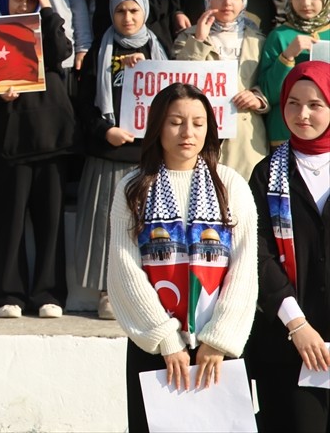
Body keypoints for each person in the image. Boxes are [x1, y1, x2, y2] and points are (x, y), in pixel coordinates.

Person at [107, 83, 257, 433]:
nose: (188, 133)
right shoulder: (133, 187)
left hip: (218, 350)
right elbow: (125, 268)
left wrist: (218, 338)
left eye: (198, 123)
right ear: (157, 126)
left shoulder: (230, 185)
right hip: (154, 346)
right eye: (175, 122)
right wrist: (165, 338)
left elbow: (244, 266)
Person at [0, 0, 73, 319]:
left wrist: (47, 6)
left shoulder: (48, 29)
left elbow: (62, 53)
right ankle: (8, 295)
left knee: (51, 224)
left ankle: (49, 294)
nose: (24, 3)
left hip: (51, 142)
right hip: (9, 147)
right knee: (10, 225)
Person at [246, 61, 330, 433]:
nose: (302, 114)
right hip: (288, 343)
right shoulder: (266, 174)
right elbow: (259, 254)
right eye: (293, 103)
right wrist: (298, 325)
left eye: (315, 104)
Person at [75, 0, 167, 319]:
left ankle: (148, 291)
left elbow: (172, 98)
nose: (127, 18)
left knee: (149, 227)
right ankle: (107, 291)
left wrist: (145, 70)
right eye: (120, 11)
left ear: (145, 12)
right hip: (109, 154)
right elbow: (84, 105)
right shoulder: (101, 51)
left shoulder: (158, 49)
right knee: (106, 227)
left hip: (149, 157)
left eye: (133, 10)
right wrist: (105, 131)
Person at [172, 0, 270, 180]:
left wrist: (258, 98)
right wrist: (199, 40)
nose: (227, 2)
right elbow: (180, 82)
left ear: (244, 1)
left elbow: (270, 82)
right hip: (201, 133)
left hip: (244, 138)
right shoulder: (187, 37)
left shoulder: (259, 40)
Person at [259, 0, 330, 145]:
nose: (305, 3)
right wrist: (287, 57)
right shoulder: (279, 36)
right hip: (285, 135)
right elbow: (268, 94)